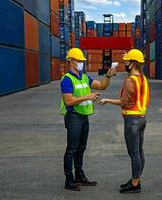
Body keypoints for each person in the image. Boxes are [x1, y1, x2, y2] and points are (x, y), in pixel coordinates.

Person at [60, 48, 116, 191]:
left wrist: (108, 76)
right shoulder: (67, 79)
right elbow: (68, 101)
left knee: (81, 147)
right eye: (79, 61)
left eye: (82, 61)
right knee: (72, 148)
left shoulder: (84, 77)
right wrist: (87, 96)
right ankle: (69, 179)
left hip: (84, 117)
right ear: (71, 61)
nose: (81, 63)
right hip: (73, 117)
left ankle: (79, 175)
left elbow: (101, 86)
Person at [98, 49, 150, 194]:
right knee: (139, 151)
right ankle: (136, 179)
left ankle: (135, 184)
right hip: (142, 118)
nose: (125, 63)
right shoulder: (143, 79)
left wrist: (107, 100)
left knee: (134, 153)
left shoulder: (129, 81)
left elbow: (123, 102)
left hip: (132, 120)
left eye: (127, 61)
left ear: (133, 64)